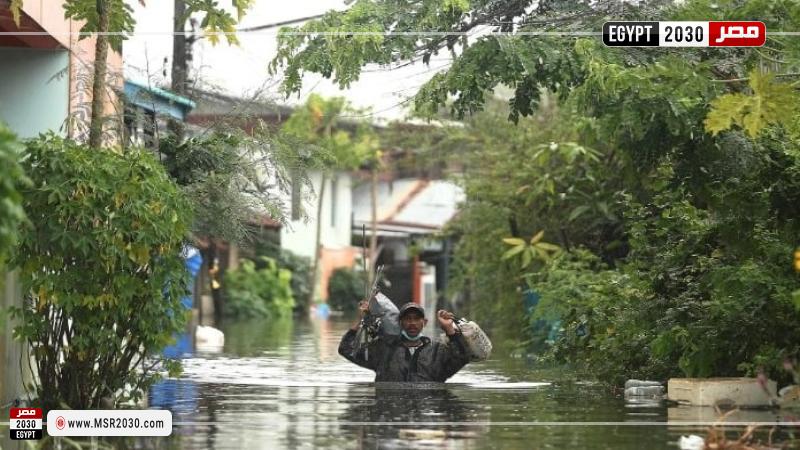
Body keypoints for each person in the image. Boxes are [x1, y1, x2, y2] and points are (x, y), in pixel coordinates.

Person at [338, 300, 471, 382]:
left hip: (424, 419)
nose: (412, 323)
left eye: (416, 319)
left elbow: (462, 358)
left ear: (424, 322)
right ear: (400, 323)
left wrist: (449, 330)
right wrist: (361, 320)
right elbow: (346, 349)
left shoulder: (437, 351)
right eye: (407, 319)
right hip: (391, 418)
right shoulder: (383, 349)